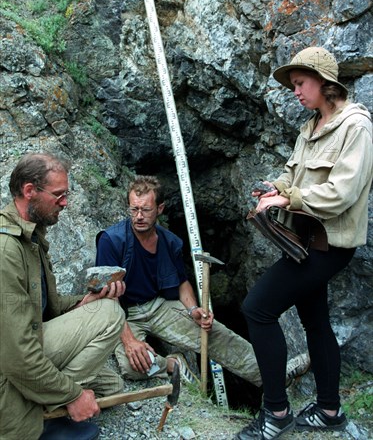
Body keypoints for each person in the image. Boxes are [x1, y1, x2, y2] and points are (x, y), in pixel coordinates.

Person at [234, 47, 373, 440]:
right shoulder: (310, 127)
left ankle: (276, 412)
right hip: (306, 240)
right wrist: (274, 188)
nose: (294, 91)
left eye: (300, 83)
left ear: (324, 82)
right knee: (315, 321)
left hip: (328, 246)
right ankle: (330, 409)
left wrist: (289, 199)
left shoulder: (356, 127)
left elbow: (342, 193)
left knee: (257, 308)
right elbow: (295, 177)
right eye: (293, 85)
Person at [95, 175, 310, 393]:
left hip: (158, 306)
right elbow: (107, 299)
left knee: (214, 333)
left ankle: (275, 375)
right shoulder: (112, 241)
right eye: (134, 209)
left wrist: (193, 309)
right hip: (122, 314)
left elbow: (180, 282)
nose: (139, 216)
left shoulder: (169, 242)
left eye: (146, 210)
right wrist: (130, 341)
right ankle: (171, 364)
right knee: (132, 367)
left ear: (160, 208)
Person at [0, 152, 126, 440]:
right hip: (9, 371)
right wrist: (72, 396)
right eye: (58, 195)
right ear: (29, 191)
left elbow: (44, 308)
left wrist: (86, 301)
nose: (65, 203)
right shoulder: (7, 251)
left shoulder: (30, 237)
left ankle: (46, 396)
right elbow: (16, 356)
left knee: (112, 386)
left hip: (26, 351)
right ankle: (42, 405)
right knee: (110, 315)